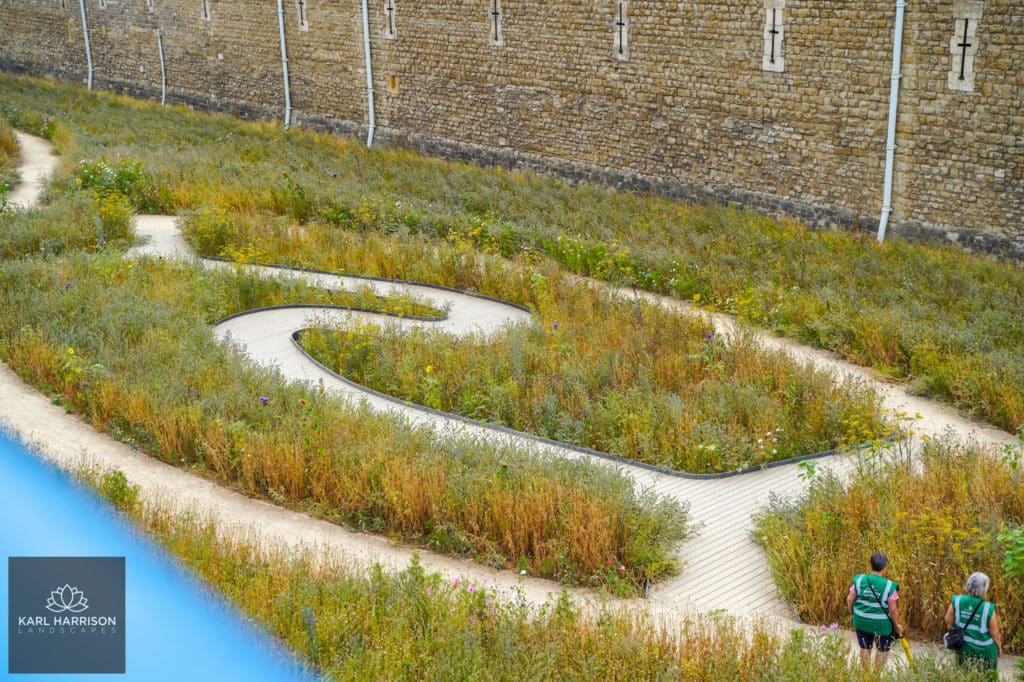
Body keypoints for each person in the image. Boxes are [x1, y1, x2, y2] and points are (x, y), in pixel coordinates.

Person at [847, 552, 904, 671]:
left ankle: (866, 676)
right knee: (882, 650)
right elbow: (893, 610)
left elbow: (850, 599)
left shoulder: (859, 580)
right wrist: (896, 625)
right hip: (882, 626)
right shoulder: (889, 586)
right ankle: (876, 676)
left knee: (864, 647)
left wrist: (852, 614)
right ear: (884, 567)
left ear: (871, 565)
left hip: (861, 621)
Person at [945, 572, 1002, 679]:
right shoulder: (988, 607)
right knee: (987, 678)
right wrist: (999, 648)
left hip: (963, 649)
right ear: (984, 589)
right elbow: (995, 633)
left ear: (969, 584)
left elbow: (948, 620)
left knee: (964, 677)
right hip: (986, 653)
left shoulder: (957, 600)